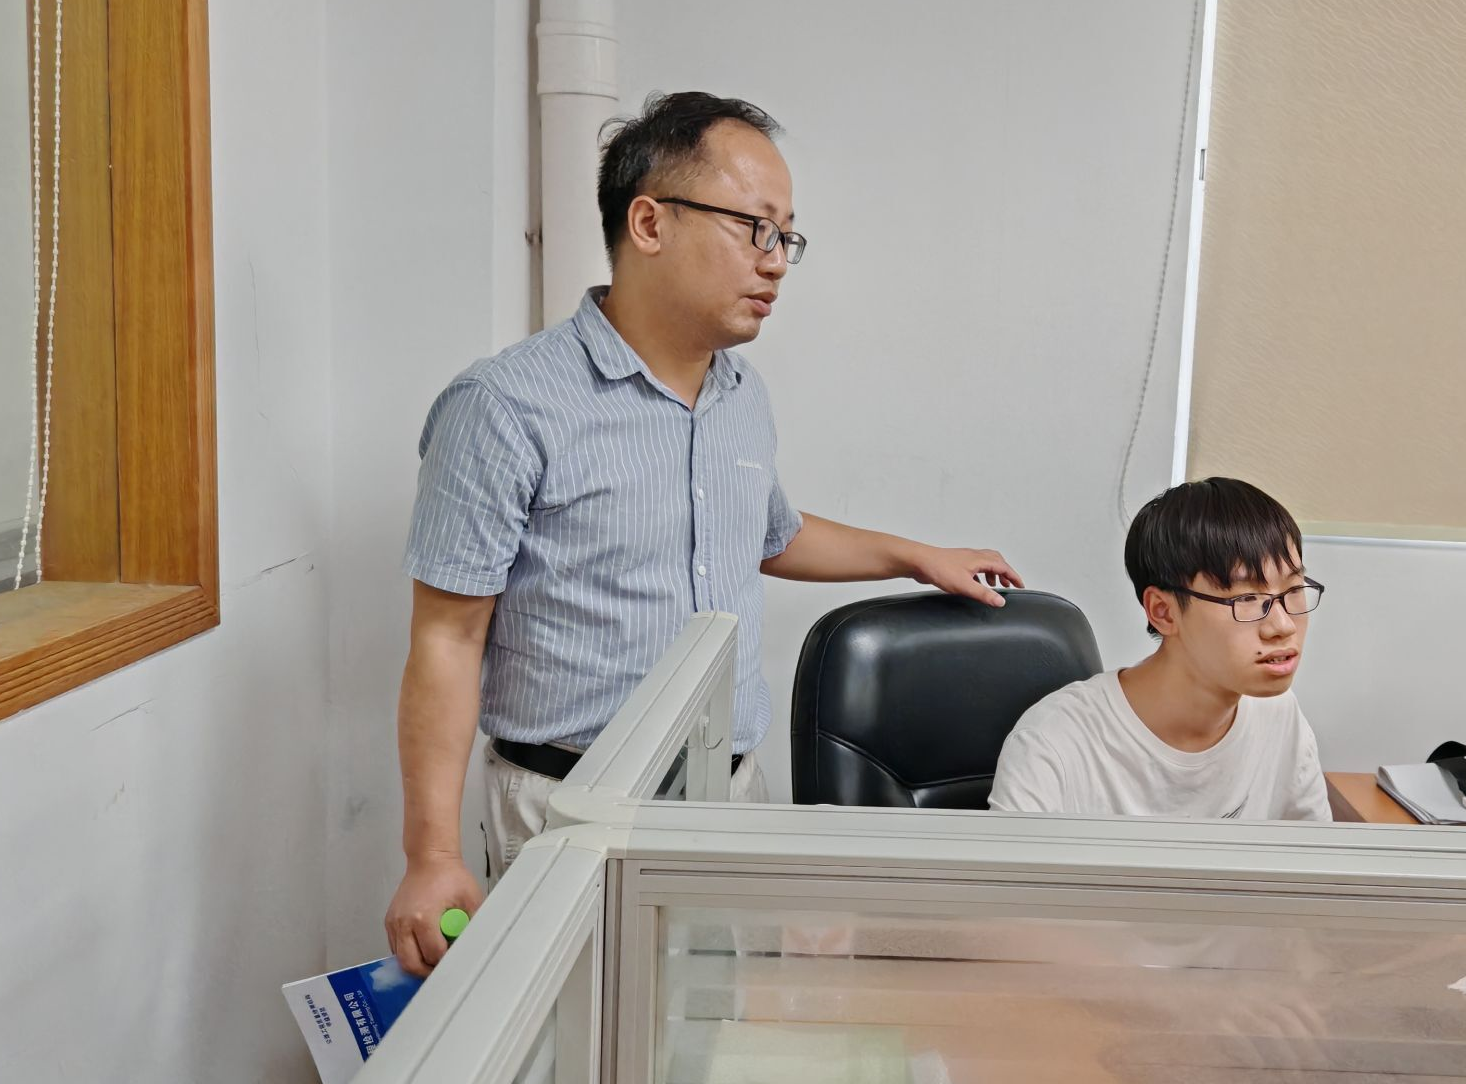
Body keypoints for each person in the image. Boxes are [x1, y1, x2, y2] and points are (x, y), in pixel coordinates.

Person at [386, 91, 1020, 974]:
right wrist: (432, 855)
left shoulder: (738, 393)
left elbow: (768, 534)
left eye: (786, 237)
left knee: (714, 1031)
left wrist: (915, 556)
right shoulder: (504, 406)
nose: (777, 262)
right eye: (755, 228)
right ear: (649, 222)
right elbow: (447, 639)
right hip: (574, 807)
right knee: (587, 1046)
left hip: (729, 793)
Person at [990, 476, 1328, 822]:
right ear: (1163, 612)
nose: (1283, 626)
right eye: (1247, 598)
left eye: (1293, 590)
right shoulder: (1053, 742)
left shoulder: (1279, 716)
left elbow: (1315, 854)